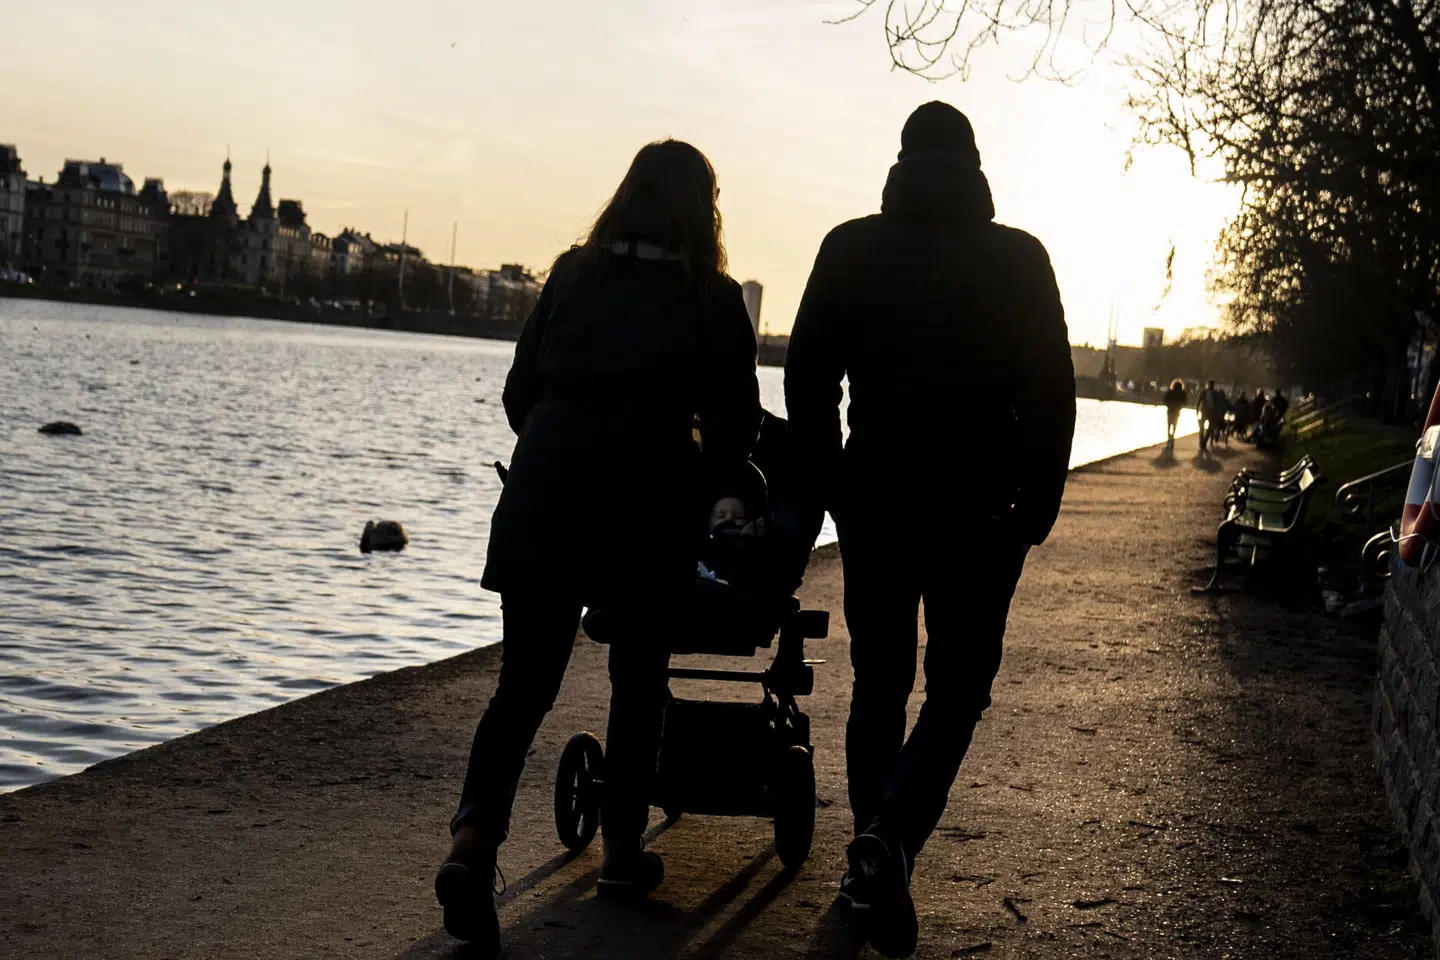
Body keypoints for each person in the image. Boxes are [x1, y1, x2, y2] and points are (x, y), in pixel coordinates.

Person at [435, 139, 761, 956]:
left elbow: (519, 396)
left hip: (543, 493)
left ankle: (472, 848)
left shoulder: (571, 273)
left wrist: (563, 439)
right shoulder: (712, 297)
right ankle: (620, 853)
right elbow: (733, 429)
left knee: (523, 685)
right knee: (637, 678)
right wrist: (725, 478)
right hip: (646, 506)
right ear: (702, 210)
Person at [785, 101, 1075, 959]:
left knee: (879, 685)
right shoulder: (1020, 259)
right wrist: (1038, 503)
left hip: (875, 501)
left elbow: (807, 376)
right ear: (976, 165)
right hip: (983, 511)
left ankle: (872, 858)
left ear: (901, 161)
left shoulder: (851, 247)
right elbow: (1052, 395)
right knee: (957, 690)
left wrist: (831, 478)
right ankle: (892, 840)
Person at [1197, 379, 1225, 452]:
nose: (1210, 386)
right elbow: (1198, 400)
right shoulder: (1203, 392)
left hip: (1211, 413)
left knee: (1210, 429)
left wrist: (1217, 412)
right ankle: (1201, 442)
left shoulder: (1215, 394)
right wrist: (1197, 410)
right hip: (1204, 412)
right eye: (1209, 384)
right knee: (1201, 428)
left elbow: (1218, 403)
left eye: (1211, 384)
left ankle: (1204, 442)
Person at [1163, 378, 1188, 443]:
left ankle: (1169, 436)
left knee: (1169, 423)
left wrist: (1170, 404)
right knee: (1174, 423)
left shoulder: (1170, 392)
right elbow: (1185, 403)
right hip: (1177, 410)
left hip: (1171, 409)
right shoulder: (1182, 393)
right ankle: (1172, 435)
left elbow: (1164, 400)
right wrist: (1179, 405)